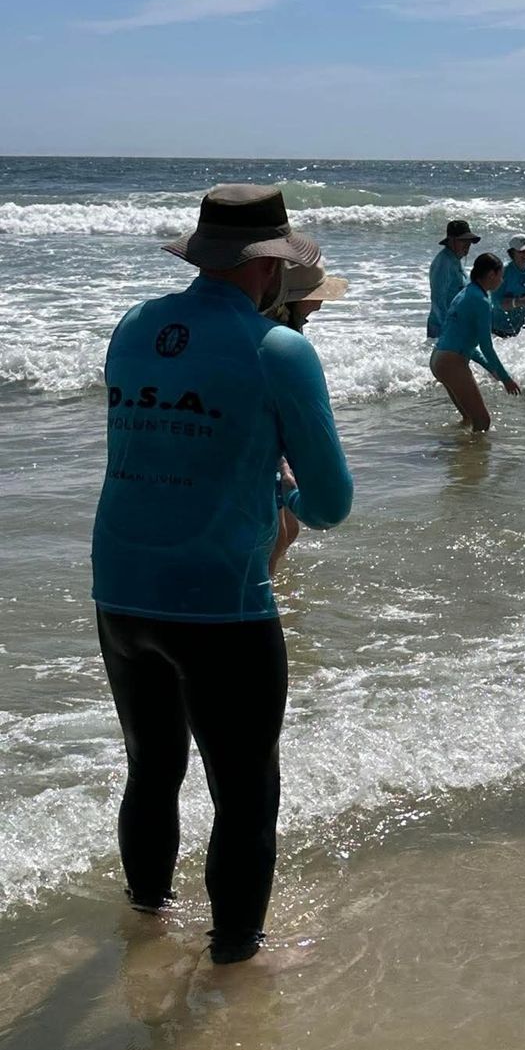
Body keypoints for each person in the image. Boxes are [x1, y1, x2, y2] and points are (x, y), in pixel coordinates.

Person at [91, 184, 354, 965]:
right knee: (245, 794)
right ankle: (236, 955)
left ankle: (148, 916)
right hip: (220, 604)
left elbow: (158, 444)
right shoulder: (278, 349)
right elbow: (332, 501)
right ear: (271, 269)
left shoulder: (135, 326)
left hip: (120, 585)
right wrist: (285, 493)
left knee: (152, 768)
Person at [266, 257, 350, 577]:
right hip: (268, 445)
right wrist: (287, 463)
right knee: (277, 537)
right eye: (317, 295)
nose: (321, 304)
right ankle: (267, 600)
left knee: (288, 532)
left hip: (278, 443)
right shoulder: (280, 336)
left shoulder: (287, 325)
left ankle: (275, 591)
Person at [431, 253, 522, 430]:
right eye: (500, 275)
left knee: (469, 418)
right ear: (491, 275)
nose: (501, 280)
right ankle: (473, 458)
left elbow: (466, 343)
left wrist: (490, 368)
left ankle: (458, 453)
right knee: (482, 421)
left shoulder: (465, 293)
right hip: (451, 362)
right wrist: (506, 378)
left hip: (438, 359)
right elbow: (486, 347)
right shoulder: (481, 301)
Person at [427, 218, 479, 340]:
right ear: (451, 240)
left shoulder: (455, 260)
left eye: (469, 241)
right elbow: (438, 301)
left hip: (458, 326)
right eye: (463, 241)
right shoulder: (444, 263)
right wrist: (449, 330)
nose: (467, 245)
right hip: (443, 329)